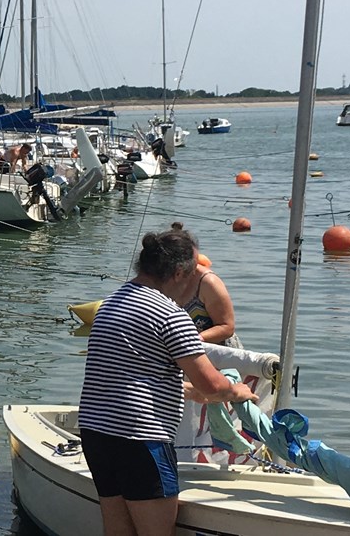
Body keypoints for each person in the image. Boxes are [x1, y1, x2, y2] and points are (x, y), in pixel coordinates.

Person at [80, 223, 256, 536]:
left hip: (96, 433)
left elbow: (130, 374)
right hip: (140, 440)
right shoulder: (170, 314)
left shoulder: (109, 305)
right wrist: (236, 391)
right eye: (190, 276)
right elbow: (211, 384)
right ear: (177, 273)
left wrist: (185, 391)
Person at [175, 261, 240, 348]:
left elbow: (226, 327)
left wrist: (194, 340)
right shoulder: (156, 280)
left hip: (218, 353)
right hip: (178, 351)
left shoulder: (208, 282)